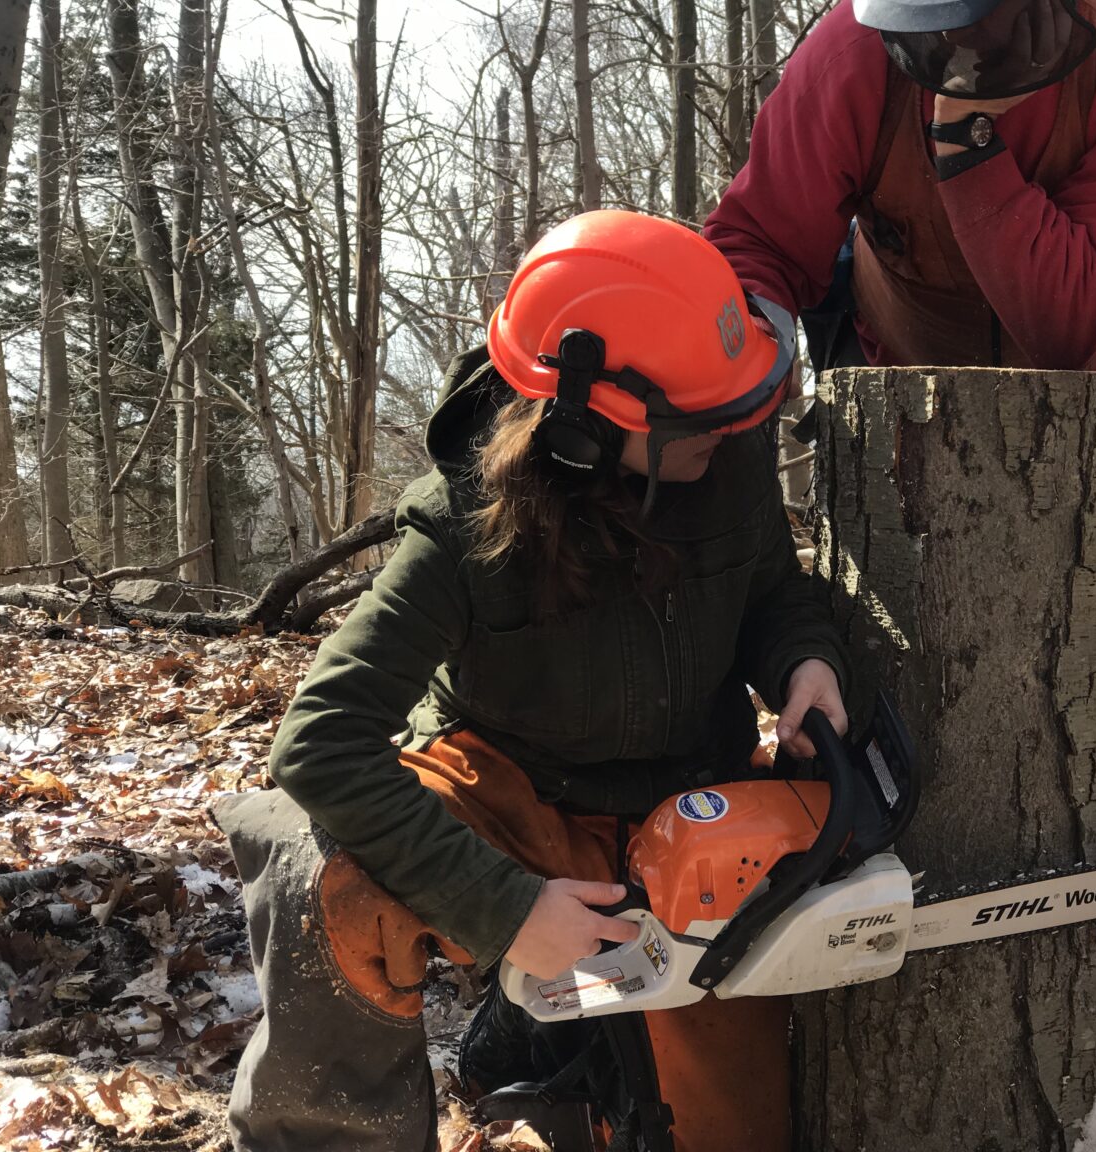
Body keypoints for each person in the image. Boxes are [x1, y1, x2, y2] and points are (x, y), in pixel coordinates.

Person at [703, 0, 1096, 1126]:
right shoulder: (852, 54)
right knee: (854, 682)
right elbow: (756, 236)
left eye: (969, 33)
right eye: (923, 36)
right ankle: (838, 948)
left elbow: (1070, 324)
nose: (941, 56)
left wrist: (966, 143)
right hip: (893, 395)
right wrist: (751, 345)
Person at [212, 209, 849, 1152]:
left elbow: (773, 592)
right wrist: (503, 908)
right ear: (585, 428)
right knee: (333, 883)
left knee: (728, 1129)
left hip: (693, 810)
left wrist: (805, 658)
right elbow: (320, 740)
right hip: (513, 799)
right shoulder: (465, 528)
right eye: (702, 418)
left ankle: (532, 1040)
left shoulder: (727, 453)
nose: (731, 428)